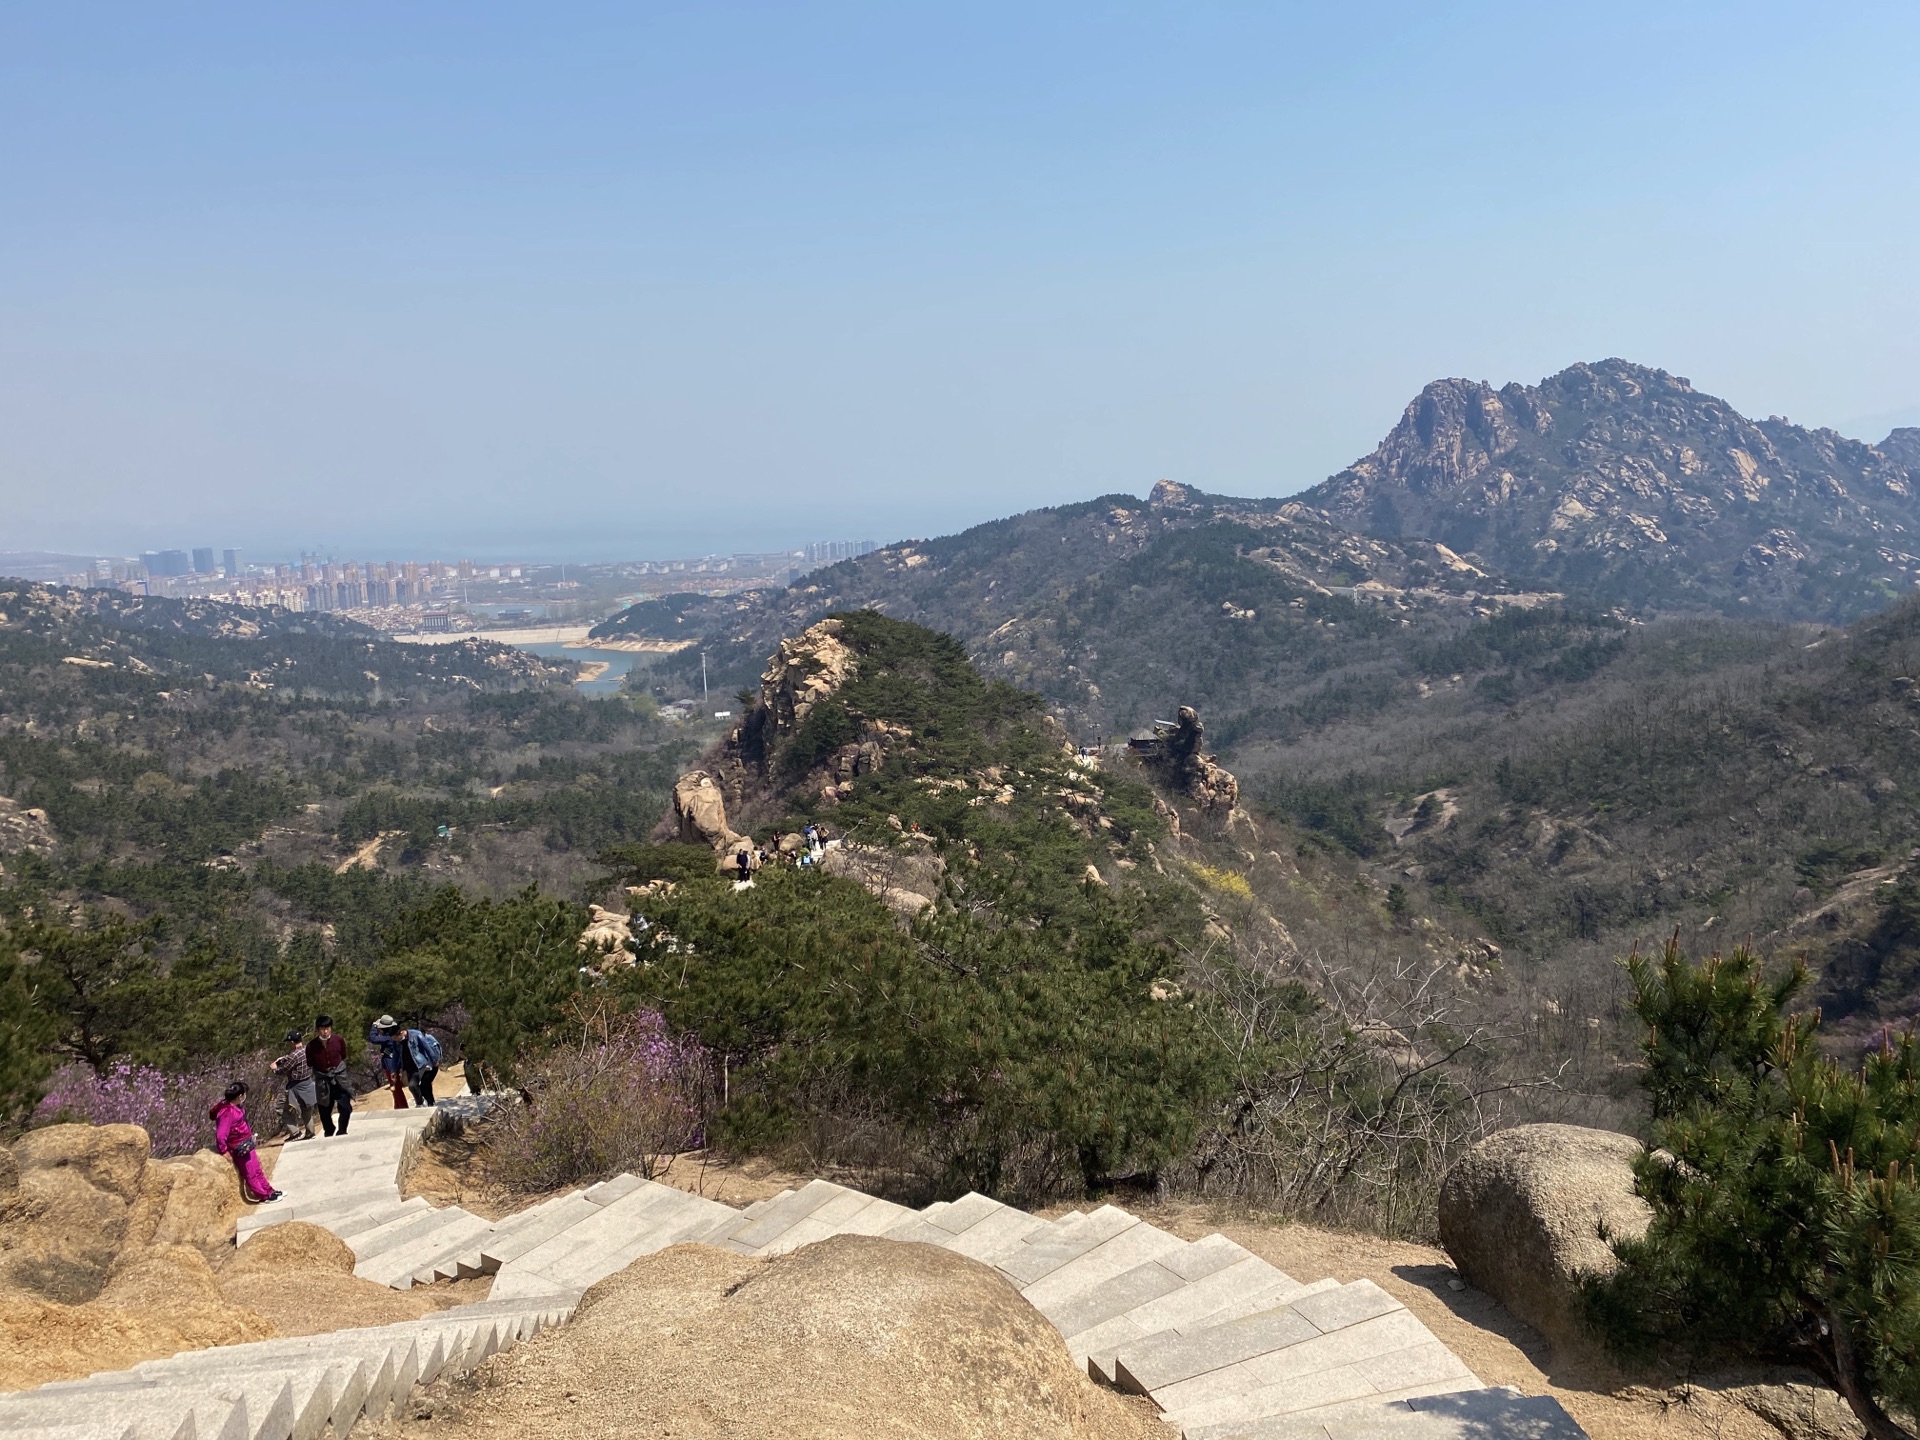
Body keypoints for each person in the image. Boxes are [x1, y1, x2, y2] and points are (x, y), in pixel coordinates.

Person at [209, 1082, 280, 1203]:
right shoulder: (227, 1111)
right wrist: (224, 1151)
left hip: (246, 1142)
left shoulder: (237, 1107)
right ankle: (263, 1196)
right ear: (239, 1096)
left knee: (257, 1169)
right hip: (238, 1146)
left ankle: (269, 1190)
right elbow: (221, 1134)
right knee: (250, 1172)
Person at [306, 1014, 352, 1137]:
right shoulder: (311, 1045)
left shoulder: (339, 1040)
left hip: (339, 1079)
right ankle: (329, 1129)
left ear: (331, 1028)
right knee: (324, 1110)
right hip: (322, 1081)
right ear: (318, 1029)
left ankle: (342, 1130)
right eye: (322, 1029)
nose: (325, 1031)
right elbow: (310, 1063)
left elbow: (343, 1055)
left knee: (346, 1107)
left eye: (327, 1028)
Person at [272, 1029, 318, 1140]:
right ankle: (310, 1132)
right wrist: (285, 1058)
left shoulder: (294, 1055)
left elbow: (283, 1070)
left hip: (295, 1086)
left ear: (292, 1042)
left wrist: (274, 1068)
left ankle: (295, 1133)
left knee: (281, 1108)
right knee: (306, 1108)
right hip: (308, 1082)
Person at [369, 1015, 409, 1108]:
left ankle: (402, 1107)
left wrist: (374, 1027)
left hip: (391, 1064)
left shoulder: (388, 1037)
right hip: (393, 1062)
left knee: (396, 1087)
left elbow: (373, 1038)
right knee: (395, 1087)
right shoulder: (393, 1034)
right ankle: (398, 1106)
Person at [399, 1024, 443, 1107]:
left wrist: (436, 1061)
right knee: (422, 1085)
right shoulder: (413, 1041)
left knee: (425, 1083)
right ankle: (429, 1101)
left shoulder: (428, 1038)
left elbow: (436, 1049)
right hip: (424, 1065)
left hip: (432, 1065)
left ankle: (430, 1102)